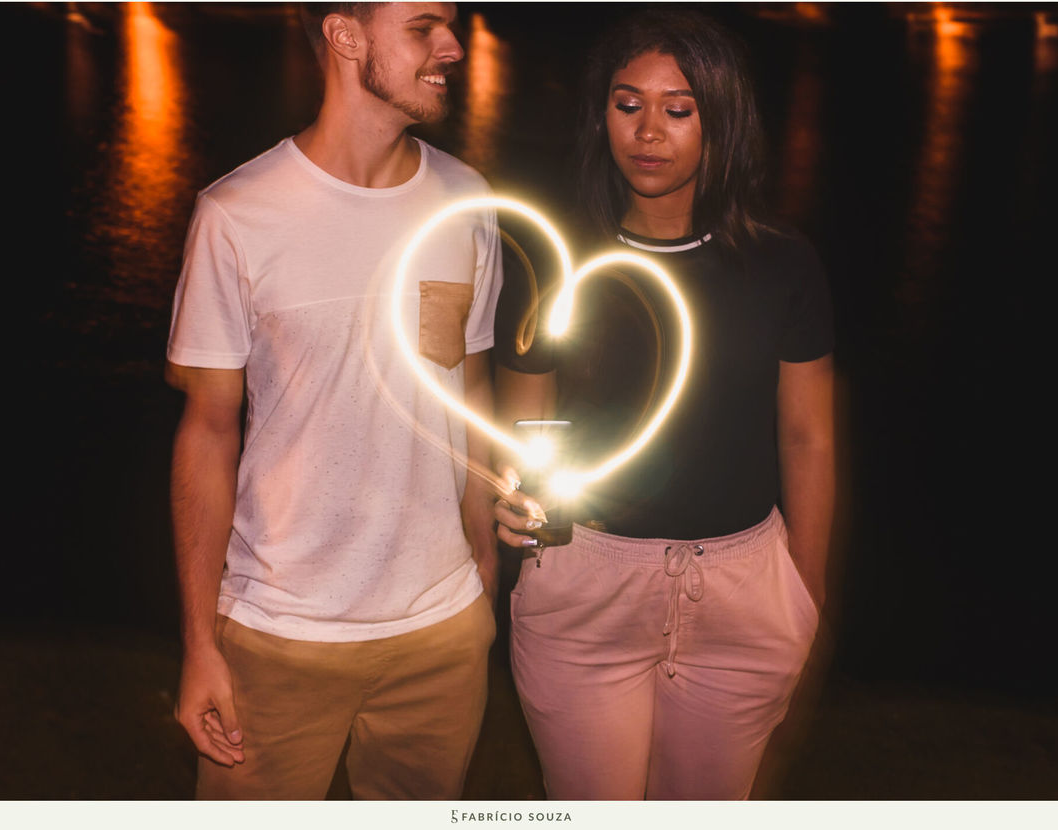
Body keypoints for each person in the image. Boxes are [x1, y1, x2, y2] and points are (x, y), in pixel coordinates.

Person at [166, 2, 505, 800]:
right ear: (345, 35)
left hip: (441, 634)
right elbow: (208, 432)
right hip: (279, 636)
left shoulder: (468, 201)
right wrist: (197, 645)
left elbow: (471, 392)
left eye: (450, 25)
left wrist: (482, 562)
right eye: (424, 28)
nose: (453, 47)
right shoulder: (237, 216)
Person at [494, 8, 835, 800]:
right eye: (627, 104)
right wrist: (509, 499)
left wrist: (802, 593)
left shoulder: (783, 264)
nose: (648, 131)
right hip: (586, 584)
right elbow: (520, 423)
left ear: (722, 120)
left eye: (678, 110)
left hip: (745, 591)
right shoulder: (554, 257)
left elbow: (808, 436)